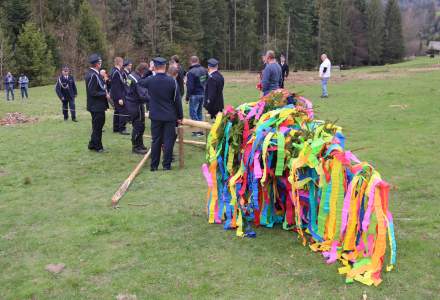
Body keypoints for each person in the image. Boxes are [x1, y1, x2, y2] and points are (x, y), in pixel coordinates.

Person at [139, 57, 183, 171]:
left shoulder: (150, 80)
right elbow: (177, 101)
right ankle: (166, 166)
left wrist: (149, 70)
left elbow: (140, 81)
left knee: (156, 140)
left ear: (155, 67)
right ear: (165, 67)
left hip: (156, 115)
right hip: (170, 116)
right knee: (168, 141)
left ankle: (154, 166)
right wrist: (180, 116)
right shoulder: (172, 81)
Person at [85, 53, 110, 153]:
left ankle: (92, 144)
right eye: (100, 62)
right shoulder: (92, 75)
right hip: (96, 106)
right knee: (98, 127)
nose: (101, 63)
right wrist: (104, 94)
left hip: (97, 105)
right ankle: (98, 147)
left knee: (97, 126)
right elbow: (92, 92)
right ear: (96, 64)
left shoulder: (95, 74)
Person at [125, 63, 150, 155]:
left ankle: (140, 144)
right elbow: (143, 94)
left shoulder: (130, 75)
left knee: (141, 125)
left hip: (131, 102)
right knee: (138, 125)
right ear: (142, 71)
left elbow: (126, 88)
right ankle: (136, 146)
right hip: (136, 104)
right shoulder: (136, 79)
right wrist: (154, 99)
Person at [186, 56, 207, 136]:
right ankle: (200, 130)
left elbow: (190, 87)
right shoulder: (204, 70)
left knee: (193, 113)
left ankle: (198, 131)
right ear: (198, 61)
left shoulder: (191, 72)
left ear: (191, 61)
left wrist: (187, 97)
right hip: (203, 94)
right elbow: (207, 81)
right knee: (199, 112)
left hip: (195, 95)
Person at [110, 57, 129, 135]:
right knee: (122, 111)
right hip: (118, 96)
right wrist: (120, 98)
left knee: (117, 111)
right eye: (122, 62)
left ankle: (116, 128)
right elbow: (116, 86)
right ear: (119, 63)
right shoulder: (116, 72)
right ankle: (122, 129)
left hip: (117, 95)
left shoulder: (116, 71)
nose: (123, 64)